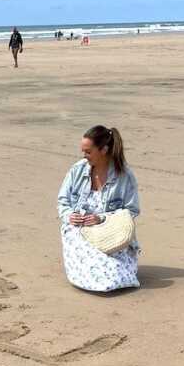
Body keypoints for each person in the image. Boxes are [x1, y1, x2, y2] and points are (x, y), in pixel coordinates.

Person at [57, 125, 141, 292]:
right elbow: (63, 201)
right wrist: (69, 216)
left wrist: (101, 218)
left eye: (88, 152)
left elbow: (132, 210)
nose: (84, 156)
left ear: (104, 150)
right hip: (79, 230)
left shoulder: (124, 175)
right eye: (83, 151)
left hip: (111, 231)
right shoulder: (77, 170)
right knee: (98, 270)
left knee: (116, 272)